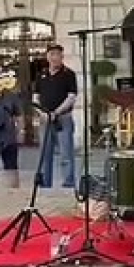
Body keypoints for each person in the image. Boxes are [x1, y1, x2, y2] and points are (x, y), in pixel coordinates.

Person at [32, 43, 78, 189]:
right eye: (52, 54)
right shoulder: (41, 75)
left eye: (57, 54)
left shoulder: (69, 74)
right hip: (45, 119)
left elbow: (71, 97)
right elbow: (36, 97)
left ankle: (68, 183)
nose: (55, 57)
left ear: (62, 56)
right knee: (45, 154)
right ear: (47, 57)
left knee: (66, 153)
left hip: (63, 118)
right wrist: (43, 113)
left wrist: (56, 112)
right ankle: (46, 184)